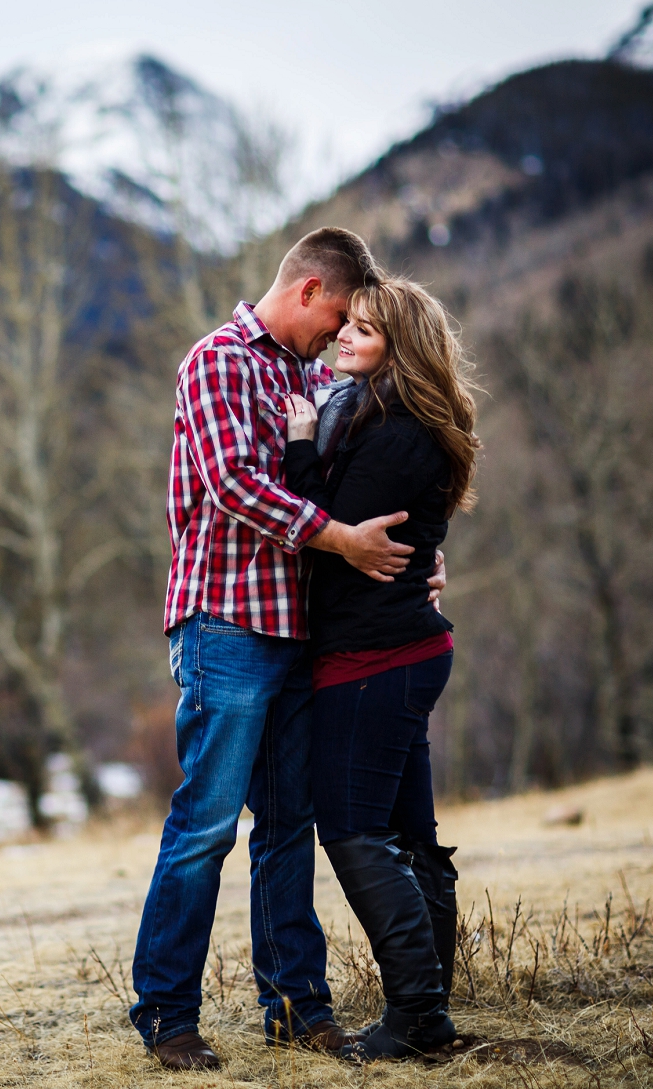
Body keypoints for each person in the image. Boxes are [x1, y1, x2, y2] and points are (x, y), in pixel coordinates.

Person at [131, 228, 442, 1071]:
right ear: (309, 291)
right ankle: (165, 1015)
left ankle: (297, 1007)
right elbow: (235, 483)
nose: (340, 337)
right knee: (205, 827)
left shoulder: (310, 376)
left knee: (287, 827)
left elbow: (354, 484)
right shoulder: (218, 359)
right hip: (225, 624)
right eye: (338, 316)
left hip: (300, 631)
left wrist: (417, 558)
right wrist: (340, 538)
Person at [281, 277, 481, 1061]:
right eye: (346, 324)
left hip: (374, 658)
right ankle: (430, 1001)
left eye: (365, 328)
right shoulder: (397, 421)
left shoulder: (393, 430)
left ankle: (420, 1018)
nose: (345, 337)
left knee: (357, 831)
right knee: (410, 835)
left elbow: (332, 533)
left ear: (401, 344)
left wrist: (300, 447)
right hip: (401, 650)